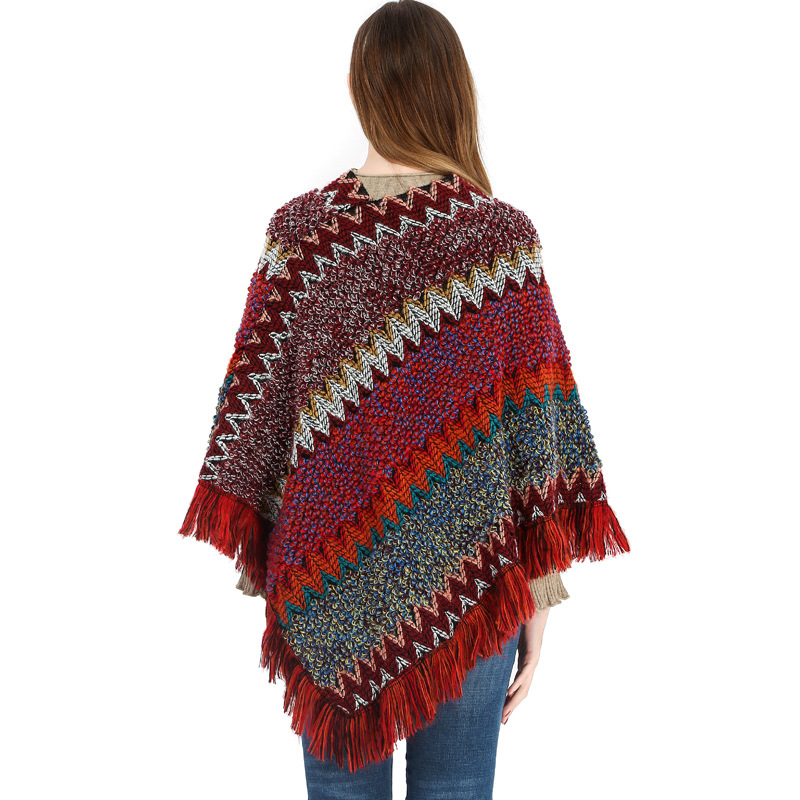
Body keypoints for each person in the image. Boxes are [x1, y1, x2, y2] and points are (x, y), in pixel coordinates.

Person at [178, 2, 629, 797]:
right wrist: (537, 603)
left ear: (362, 90)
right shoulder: (497, 241)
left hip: (330, 595)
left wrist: (279, 567)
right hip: (472, 590)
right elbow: (541, 442)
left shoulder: (302, 237)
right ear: (454, 90)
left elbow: (257, 426)